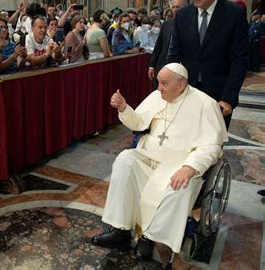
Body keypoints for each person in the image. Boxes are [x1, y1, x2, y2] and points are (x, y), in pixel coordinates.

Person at [91, 63, 228, 258]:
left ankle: (150, 239)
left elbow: (211, 146)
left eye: (164, 84)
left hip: (179, 166)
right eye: (158, 83)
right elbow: (138, 122)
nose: (159, 88)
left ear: (180, 84)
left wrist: (190, 167)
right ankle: (120, 231)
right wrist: (124, 108)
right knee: (125, 160)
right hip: (149, 157)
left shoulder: (205, 104)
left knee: (181, 186)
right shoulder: (158, 96)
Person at [168, 0, 249, 128]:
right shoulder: (182, 15)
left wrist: (228, 98)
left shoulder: (234, 14)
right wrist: (167, 86)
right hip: (186, 92)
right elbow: (174, 55)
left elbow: (239, 60)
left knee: (212, 146)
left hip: (219, 96)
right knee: (184, 142)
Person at [149, 0, 187, 89]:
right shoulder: (167, 24)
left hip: (180, 68)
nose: (175, 10)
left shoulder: (189, 24)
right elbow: (159, 45)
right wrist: (152, 65)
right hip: (162, 65)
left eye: (178, 7)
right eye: (173, 7)